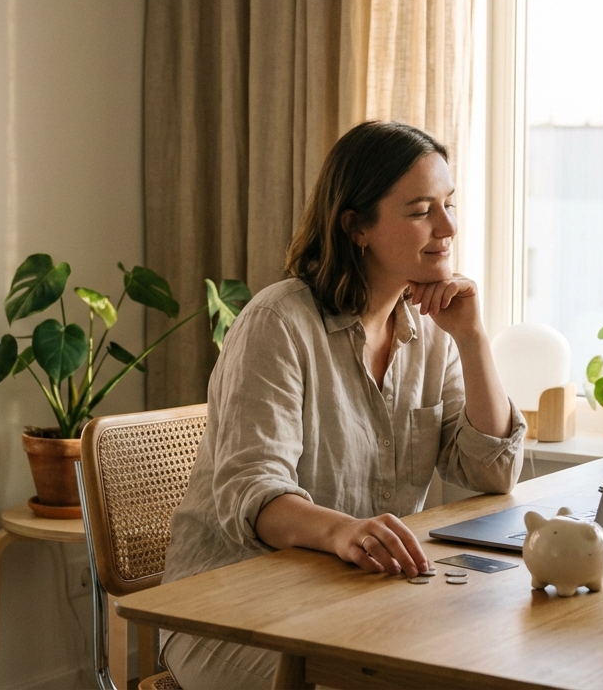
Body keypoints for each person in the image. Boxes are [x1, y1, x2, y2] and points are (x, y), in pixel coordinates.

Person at [159, 121, 527, 688]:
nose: (448, 227)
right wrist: (343, 532)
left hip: (361, 599)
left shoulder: (432, 333)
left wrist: (473, 340)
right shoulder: (277, 324)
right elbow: (254, 495)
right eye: (420, 210)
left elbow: (493, 471)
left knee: (495, 659)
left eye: (449, 204)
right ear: (357, 227)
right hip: (231, 612)